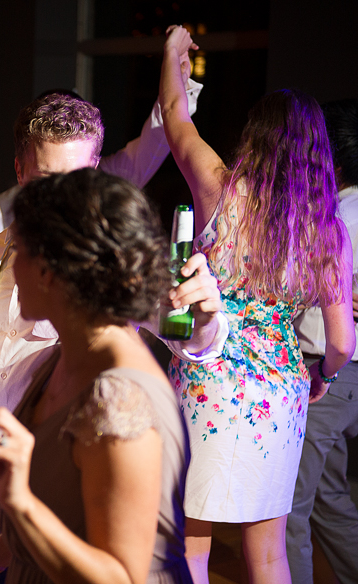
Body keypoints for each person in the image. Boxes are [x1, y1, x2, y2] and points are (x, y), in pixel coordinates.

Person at [160, 26, 355, 584]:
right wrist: (319, 373)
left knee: (191, 545)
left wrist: (174, 53)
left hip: (207, 377)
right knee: (268, 553)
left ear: (255, 137)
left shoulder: (220, 188)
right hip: (279, 389)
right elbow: (343, 342)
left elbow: (176, 114)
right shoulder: (326, 233)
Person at [0, 169, 193, 583]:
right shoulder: (59, 360)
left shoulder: (119, 398)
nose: (10, 264)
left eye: (18, 249)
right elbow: (64, 504)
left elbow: (120, 576)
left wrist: (18, 501)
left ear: (49, 270)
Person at [0, 64, 202, 356]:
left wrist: (204, 322)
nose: (63, 195)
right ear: (19, 171)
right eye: (47, 181)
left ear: (93, 171)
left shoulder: (114, 258)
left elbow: (189, 342)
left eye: (75, 179)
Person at [287, 98, 358, 583]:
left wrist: (326, 373)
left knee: (286, 507)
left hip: (329, 374)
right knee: (327, 500)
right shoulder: (336, 209)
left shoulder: (342, 216)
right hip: (332, 372)